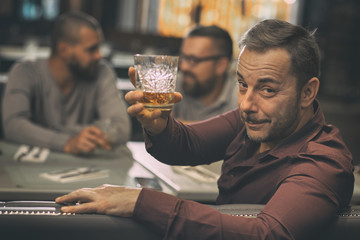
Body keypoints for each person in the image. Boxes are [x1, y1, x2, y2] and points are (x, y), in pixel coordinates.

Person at [56, 19, 354, 239]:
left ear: (307, 93)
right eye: (242, 85)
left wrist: (139, 201)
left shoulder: (323, 160)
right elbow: (188, 144)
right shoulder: (250, 120)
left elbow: (265, 234)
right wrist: (159, 125)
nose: (247, 104)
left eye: (267, 90)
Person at [2, 11, 131, 154]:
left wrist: (48, 131)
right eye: (92, 49)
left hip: (85, 167)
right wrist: (67, 142)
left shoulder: (102, 73)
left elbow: (121, 127)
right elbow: (13, 126)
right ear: (64, 50)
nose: (99, 55)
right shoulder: (24, 72)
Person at [172, 25, 238, 123]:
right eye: (183, 57)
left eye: (193, 60)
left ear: (221, 65)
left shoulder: (240, 96)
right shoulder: (172, 85)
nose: (183, 67)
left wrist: (172, 127)